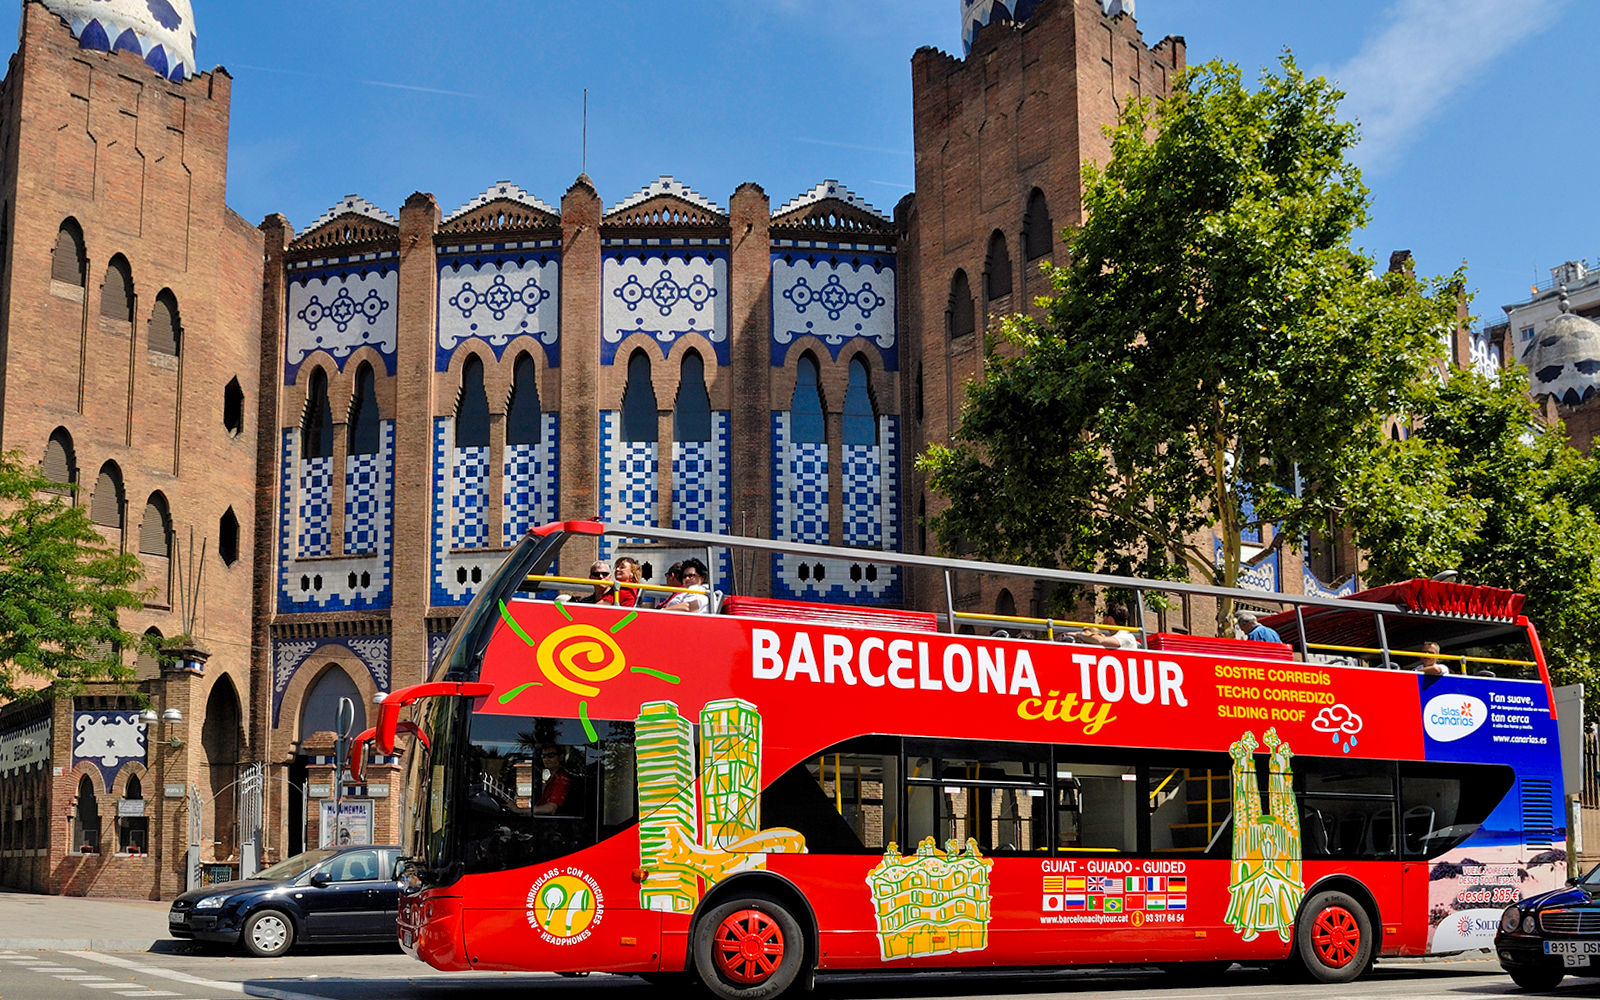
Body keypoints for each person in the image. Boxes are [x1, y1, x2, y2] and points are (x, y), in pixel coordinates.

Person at [1071, 605, 1139, 649]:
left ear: (1110, 619)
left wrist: (1078, 634)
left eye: (1104, 615)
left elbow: (1100, 640)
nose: (1102, 618)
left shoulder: (1127, 637)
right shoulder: (1118, 636)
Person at [533, 747, 573, 815]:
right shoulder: (552, 779)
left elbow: (551, 808)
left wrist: (518, 810)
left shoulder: (562, 779)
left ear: (561, 757)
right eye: (543, 756)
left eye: (550, 755)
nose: (546, 759)